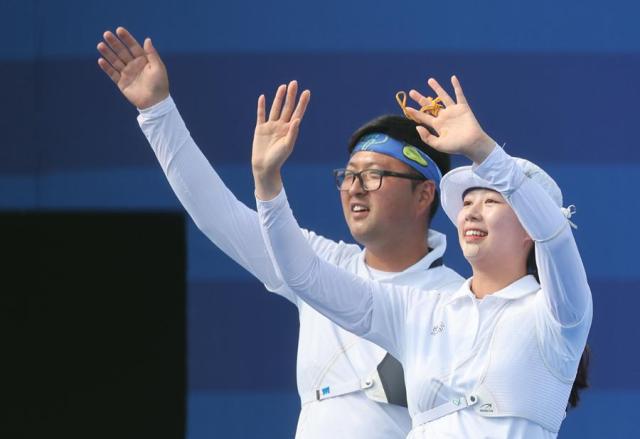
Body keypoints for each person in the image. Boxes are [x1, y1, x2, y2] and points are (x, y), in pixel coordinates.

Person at [96, 27, 463, 438]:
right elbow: (218, 215)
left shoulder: (459, 301)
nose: (355, 188)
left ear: (423, 195)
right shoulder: (317, 263)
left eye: (374, 175)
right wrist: (158, 112)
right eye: (348, 175)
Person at [253, 75, 593, 438]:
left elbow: (555, 238)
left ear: (529, 228)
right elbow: (304, 275)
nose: (471, 213)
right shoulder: (419, 311)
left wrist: (483, 150)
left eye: (491, 201)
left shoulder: (559, 316)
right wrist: (267, 181)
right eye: (466, 203)